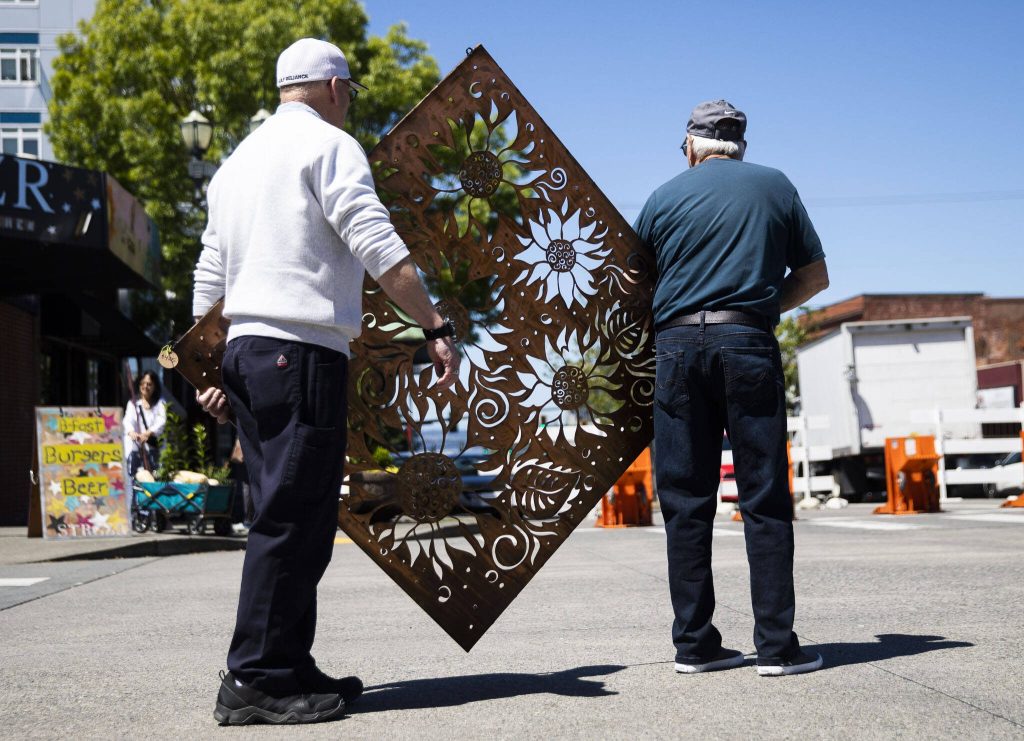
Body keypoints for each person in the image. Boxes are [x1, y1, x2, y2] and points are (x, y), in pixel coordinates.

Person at [193, 38, 459, 725]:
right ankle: (255, 678)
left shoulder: (234, 164)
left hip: (249, 353)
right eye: (352, 93)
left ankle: (287, 663)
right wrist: (433, 320)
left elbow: (209, 276)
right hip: (299, 353)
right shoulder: (331, 147)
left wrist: (207, 366)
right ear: (335, 87)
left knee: (294, 514)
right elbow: (375, 242)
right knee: (289, 518)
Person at [634, 100, 830, 677]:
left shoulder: (664, 196)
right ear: (740, 145)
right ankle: (776, 646)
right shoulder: (775, 186)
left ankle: (694, 645)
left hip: (675, 348)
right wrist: (763, 307)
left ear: (692, 145)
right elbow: (816, 276)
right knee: (763, 498)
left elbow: (636, 282)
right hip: (746, 341)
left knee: (685, 500)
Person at [123, 370, 166, 481]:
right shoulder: (133, 403)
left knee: (156, 478)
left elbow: (162, 420)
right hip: (138, 449)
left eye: (149, 384)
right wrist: (132, 432)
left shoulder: (160, 402)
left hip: (155, 449)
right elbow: (128, 421)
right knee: (136, 478)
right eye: (143, 383)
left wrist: (148, 433)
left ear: (155, 386)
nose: (145, 386)